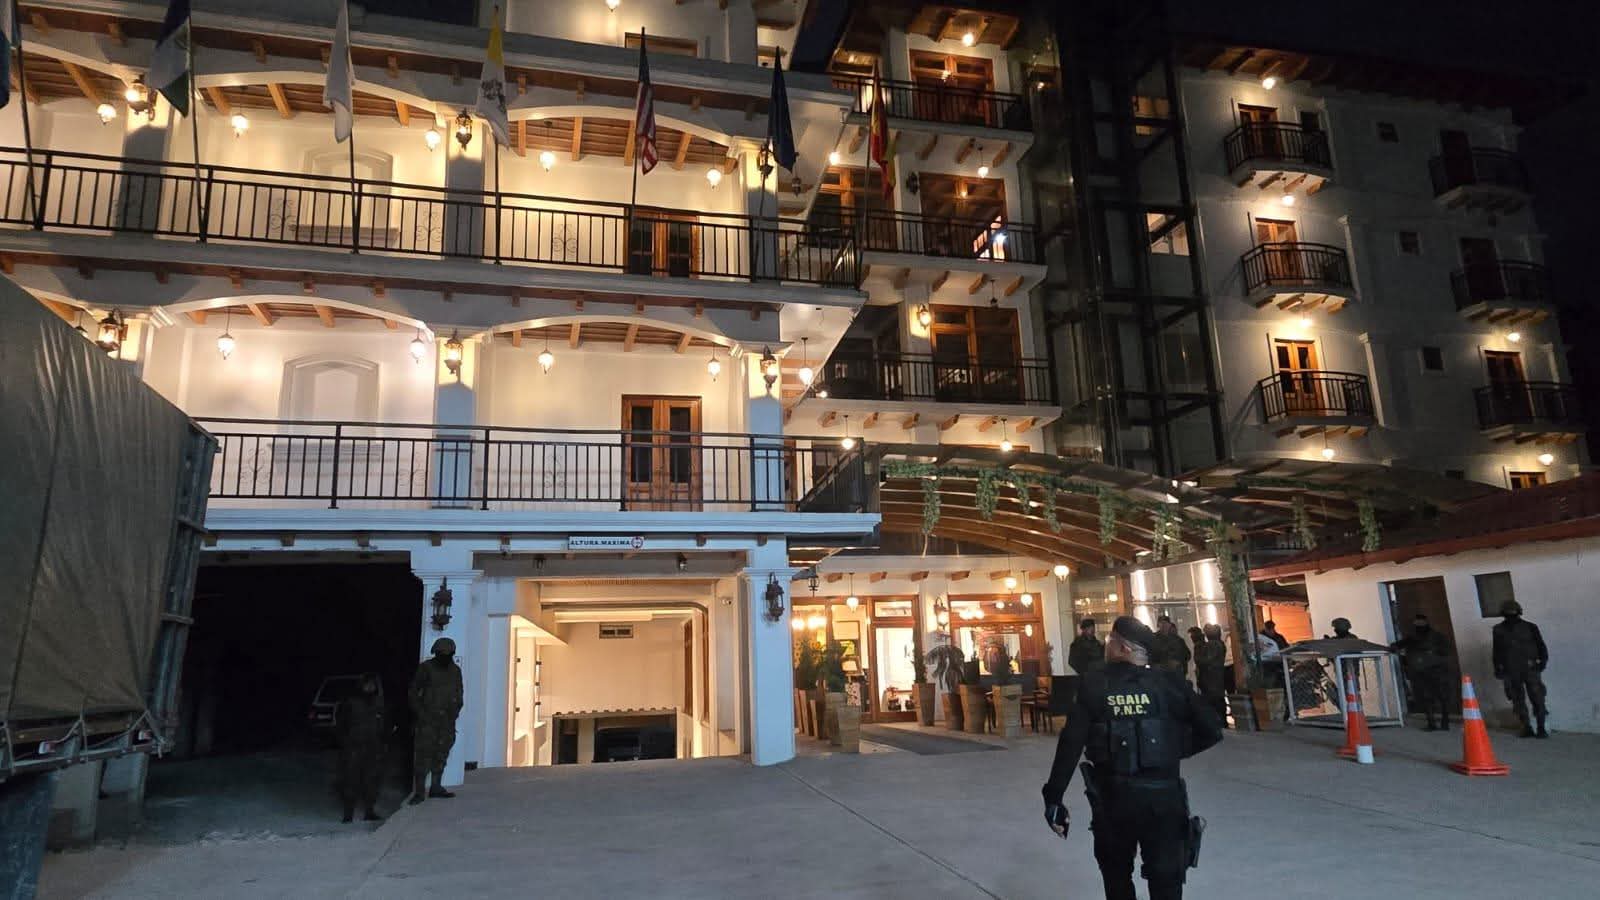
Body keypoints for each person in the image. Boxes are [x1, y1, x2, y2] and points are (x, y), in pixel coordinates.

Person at [1042, 616, 1223, 900]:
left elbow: (1071, 743)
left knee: (1117, 880)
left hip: (1114, 801)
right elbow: (1212, 729)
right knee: (1167, 881)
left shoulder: (1094, 685)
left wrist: (1054, 797)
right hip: (1164, 800)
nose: (1106, 645)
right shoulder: (1170, 683)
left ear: (1124, 648)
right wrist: (1171, 750)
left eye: (1110, 641)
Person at [409, 637, 464, 804]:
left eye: (449, 654)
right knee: (423, 756)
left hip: (446, 721)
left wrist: (455, 712)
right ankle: (419, 792)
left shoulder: (455, 670)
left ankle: (436, 787)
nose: (446, 656)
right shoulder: (426, 668)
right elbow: (413, 692)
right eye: (442, 653)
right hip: (428, 720)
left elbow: (459, 692)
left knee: (441, 754)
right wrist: (421, 714)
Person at [1492, 600, 1549, 738]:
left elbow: (1541, 645)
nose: (1511, 616)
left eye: (1513, 613)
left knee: (1537, 697)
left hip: (1530, 668)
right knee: (1518, 700)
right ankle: (1526, 726)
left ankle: (1541, 727)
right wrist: (1497, 667)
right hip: (1511, 669)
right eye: (1508, 613)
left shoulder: (1530, 627)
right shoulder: (1498, 629)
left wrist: (1543, 662)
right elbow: (1497, 650)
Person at [335, 674, 386, 823]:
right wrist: (345, 742)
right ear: (361, 686)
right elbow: (341, 723)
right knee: (350, 780)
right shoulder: (350, 702)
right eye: (367, 685)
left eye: (372, 685)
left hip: (373, 747)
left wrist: (383, 741)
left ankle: (369, 811)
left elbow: (384, 723)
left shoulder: (378, 702)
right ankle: (348, 814)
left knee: (371, 780)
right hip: (354, 748)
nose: (370, 688)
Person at [1389, 614, 1453, 731]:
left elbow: (1446, 651)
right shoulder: (1413, 638)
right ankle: (1433, 723)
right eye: (1417, 624)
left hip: (1436, 670)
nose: (1419, 626)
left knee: (1441, 697)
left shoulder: (1436, 637)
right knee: (1428, 697)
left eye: (1420, 623)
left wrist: (1431, 655)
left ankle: (1443, 722)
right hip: (1423, 671)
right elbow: (1397, 645)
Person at [1192, 625, 1228, 723]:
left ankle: (1219, 721)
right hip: (1214, 677)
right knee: (1217, 700)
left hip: (1211, 678)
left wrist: (1198, 645)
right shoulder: (1218, 644)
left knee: (1214, 701)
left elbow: (1203, 660)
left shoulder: (1213, 644)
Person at [1150, 616, 1191, 682]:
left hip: (1176, 674)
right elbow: (1150, 656)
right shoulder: (1153, 638)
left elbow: (1187, 655)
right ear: (1158, 625)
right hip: (1161, 675)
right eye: (1161, 623)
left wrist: (1178, 662)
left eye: (1166, 623)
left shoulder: (1178, 639)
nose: (1164, 625)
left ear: (1169, 625)